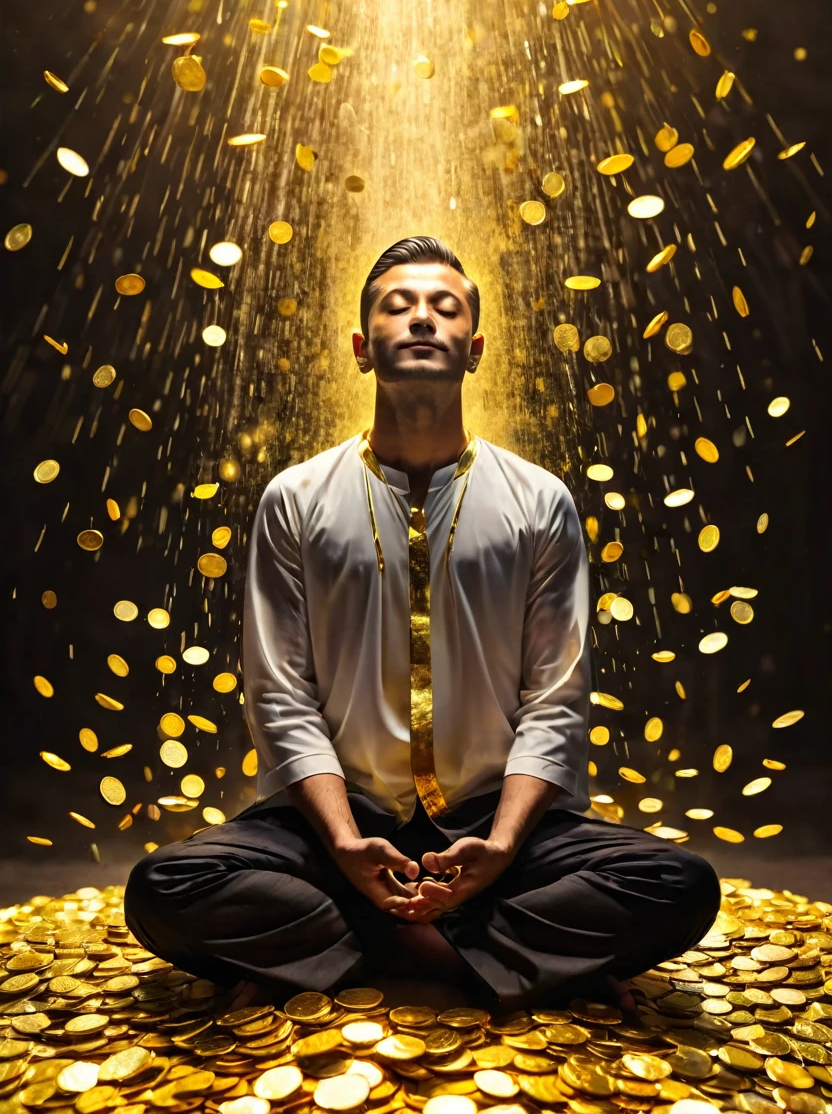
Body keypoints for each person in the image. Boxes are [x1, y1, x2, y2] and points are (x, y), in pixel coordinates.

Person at [123, 236, 722, 1014]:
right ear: (360, 346)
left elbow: (556, 699)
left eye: (445, 308)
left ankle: (362, 948)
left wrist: (503, 845)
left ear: (474, 350)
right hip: (338, 820)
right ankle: (463, 952)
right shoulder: (294, 498)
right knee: (165, 888)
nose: (420, 320)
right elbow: (281, 695)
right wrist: (341, 841)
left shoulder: (540, 501)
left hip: (493, 817)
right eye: (396, 305)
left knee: (678, 886)